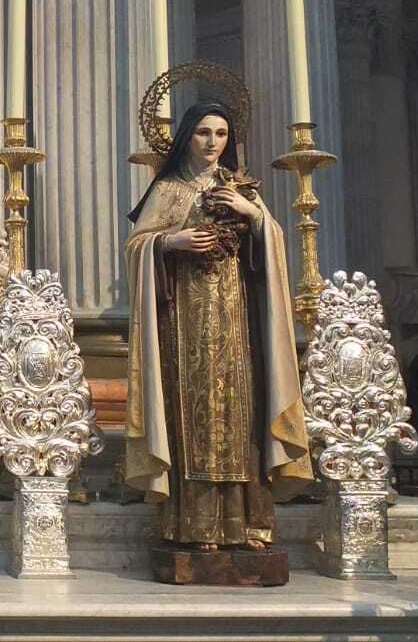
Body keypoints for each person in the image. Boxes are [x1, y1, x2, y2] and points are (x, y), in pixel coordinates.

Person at [122, 101, 313, 552]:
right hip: (181, 325)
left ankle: (248, 525)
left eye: (221, 134)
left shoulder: (240, 188)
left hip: (239, 325)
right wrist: (170, 241)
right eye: (204, 133)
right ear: (188, 136)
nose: (212, 143)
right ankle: (195, 527)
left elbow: (274, 247)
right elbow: (136, 248)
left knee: (241, 415)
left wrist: (253, 216)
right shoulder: (167, 189)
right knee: (190, 419)